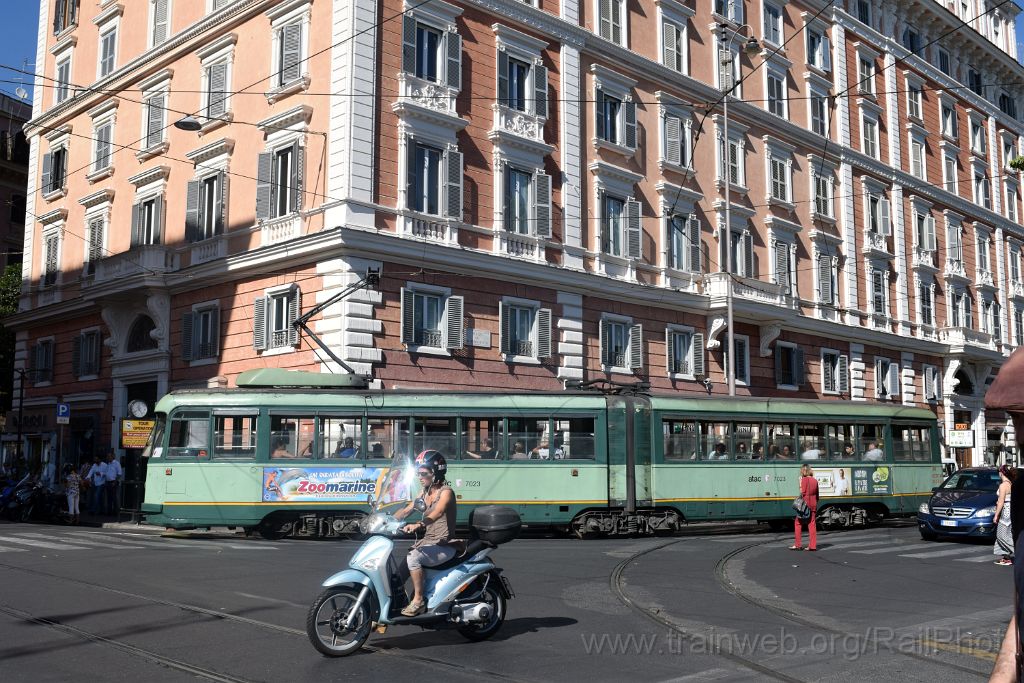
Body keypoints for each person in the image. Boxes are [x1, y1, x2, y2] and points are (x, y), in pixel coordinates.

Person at [395, 451, 457, 617]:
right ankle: (392, 603)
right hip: (428, 543)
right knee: (398, 572)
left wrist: (419, 524)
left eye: (424, 474)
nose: (420, 477)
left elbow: (438, 512)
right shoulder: (423, 493)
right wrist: (385, 519)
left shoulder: (446, 492)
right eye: (418, 473)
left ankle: (418, 600)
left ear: (435, 473)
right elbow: (407, 509)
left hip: (444, 545)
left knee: (413, 557)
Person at [790, 464, 819, 551]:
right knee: (812, 524)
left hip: (804, 506)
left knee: (798, 523)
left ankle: (798, 545)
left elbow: (803, 492)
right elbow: (817, 496)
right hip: (813, 504)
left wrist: (800, 484)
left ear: (803, 471)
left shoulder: (804, 480)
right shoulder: (815, 480)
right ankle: (812, 546)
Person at [994, 465, 1016, 566]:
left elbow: (1001, 502)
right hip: (1011, 512)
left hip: (1005, 513)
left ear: (1001, 473)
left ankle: (1018, 552)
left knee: (1001, 535)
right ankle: (1006, 558)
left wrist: (996, 515)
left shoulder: (1003, 486)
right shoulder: (1011, 483)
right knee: (1008, 534)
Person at [104, 450, 123, 516]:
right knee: (109, 498)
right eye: (107, 456)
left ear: (112, 457)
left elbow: (119, 474)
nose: (107, 457)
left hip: (113, 482)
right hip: (108, 482)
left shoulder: (117, 463)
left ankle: (116, 512)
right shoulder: (108, 464)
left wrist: (115, 482)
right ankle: (109, 512)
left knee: (115, 498)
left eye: (109, 456)